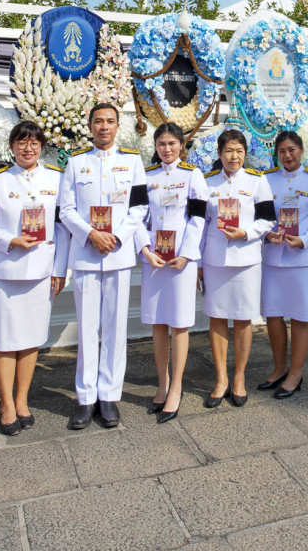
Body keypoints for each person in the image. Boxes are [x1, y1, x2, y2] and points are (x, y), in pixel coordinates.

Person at [0, 120, 69, 436]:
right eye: (21, 143)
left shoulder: (56, 179)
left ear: (42, 147)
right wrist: (9, 240)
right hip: (3, 273)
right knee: (3, 341)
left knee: (29, 341)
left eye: (34, 143)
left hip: (40, 272)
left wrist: (59, 269)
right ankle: (6, 405)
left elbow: (63, 229)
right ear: (12, 147)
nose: (28, 148)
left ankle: (22, 400)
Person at [57, 102, 149, 429]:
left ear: (117, 124)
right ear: (90, 124)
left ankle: (109, 395)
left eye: (110, 121)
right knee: (86, 328)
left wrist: (117, 238)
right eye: (98, 121)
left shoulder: (132, 161)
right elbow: (65, 210)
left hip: (118, 255)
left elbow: (139, 209)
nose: (104, 127)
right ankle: (85, 398)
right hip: (85, 255)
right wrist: (91, 234)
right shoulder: (76, 162)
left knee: (114, 328)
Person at [200, 129, 275, 408]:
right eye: (229, 151)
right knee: (217, 318)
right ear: (219, 154)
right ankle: (221, 380)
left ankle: (240, 377)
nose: (234, 156)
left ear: (245, 154)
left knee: (243, 319)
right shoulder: (206, 182)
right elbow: (200, 225)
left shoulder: (258, 181)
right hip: (215, 260)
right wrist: (196, 263)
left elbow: (268, 220)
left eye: (239, 151)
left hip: (246, 262)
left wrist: (245, 233)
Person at [137, 122, 207, 423]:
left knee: (178, 323)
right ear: (156, 146)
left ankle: (177, 386)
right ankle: (162, 383)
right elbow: (136, 216)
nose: (167, 149)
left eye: (172, 144)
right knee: (157, 322)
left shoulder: (192, 176)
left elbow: (199, 218)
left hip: (180, 259)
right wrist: (144, 248)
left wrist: (187, 254)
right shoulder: (145, 176)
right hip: (154, 257)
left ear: (182, 146)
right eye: (162, 144)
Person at [260, 129, 308, 400]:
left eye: (292, 150)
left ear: (301, 150)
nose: (287, 156)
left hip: (303, 260)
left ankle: (296, 373)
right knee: (273, 316)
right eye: (282, 151)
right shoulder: (266, 180)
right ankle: (279, 369)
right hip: (274, 259)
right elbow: (260, 217)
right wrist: (267, 234)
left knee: (300, 317)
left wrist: (305, 240)